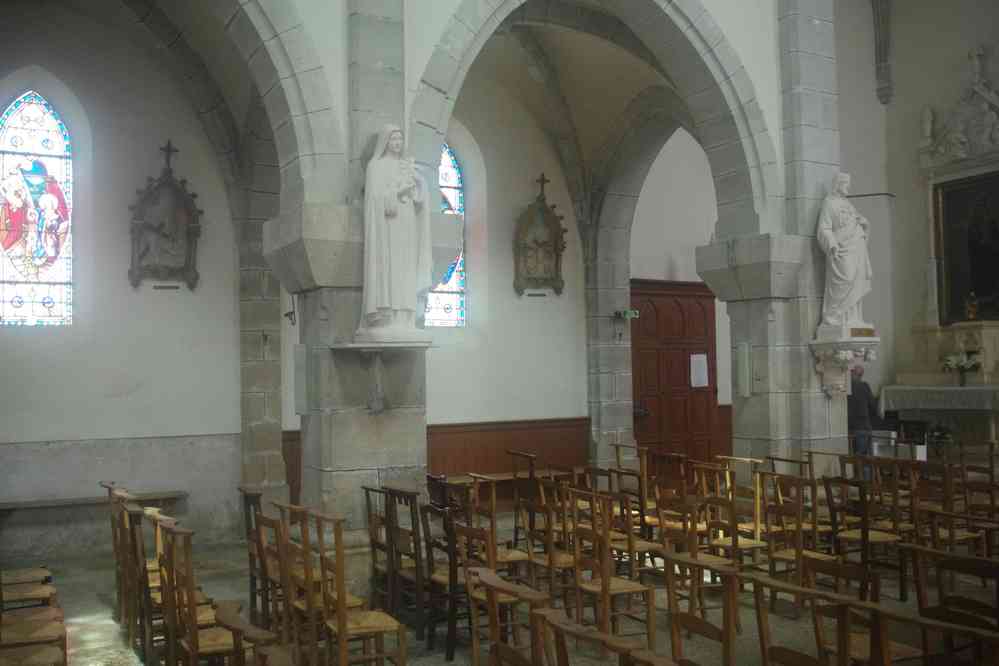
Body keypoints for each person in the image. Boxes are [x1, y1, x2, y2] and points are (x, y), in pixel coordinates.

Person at [357, 124, 433, 342]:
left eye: (400, 139)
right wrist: (397, 191)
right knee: (390, 270)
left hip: (406, 223)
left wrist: (419, 185)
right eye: (393, 139)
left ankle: (406, 318)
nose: (398, 143)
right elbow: (373, 201)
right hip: (386, 230)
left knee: (406, 269)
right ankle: (386, 316)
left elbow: (419, 200)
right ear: (385, 142)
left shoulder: (406, 165)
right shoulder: (376, 166)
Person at [817, 172, 873, 331]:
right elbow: (824, 228)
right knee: (847, 277)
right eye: (846, 183)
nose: (848, 187)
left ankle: (854, 319)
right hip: (842, 249)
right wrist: (832, 244)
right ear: (838, 184)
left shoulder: (848, 204)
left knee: (858, 279)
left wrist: (865, 224)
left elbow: (858, 221)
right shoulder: (829, 203)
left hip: (857, 248)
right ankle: (834, 317)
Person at [848, 365, 879, 478]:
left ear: (853, 373)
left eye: (851, 371)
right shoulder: (864, 386)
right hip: (862, 426)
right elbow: (873, 406)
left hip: (849, 427)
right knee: (864, 458)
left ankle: (854, 481)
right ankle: (865, 486)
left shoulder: (846, 386)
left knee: (851, 457)